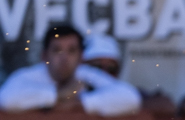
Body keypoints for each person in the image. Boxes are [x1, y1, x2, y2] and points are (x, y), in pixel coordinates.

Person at [0, 24, 140, 115]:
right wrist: (61, 95)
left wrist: (79, 103)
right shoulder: (26, 76)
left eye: (71, 51)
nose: (64, 58)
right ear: (44, 56)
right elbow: (6, 100)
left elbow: (130, 98)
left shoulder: (86, 75)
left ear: (81, 58)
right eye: (57, 50)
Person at [83, 32, 175, 115]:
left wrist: (126, 103)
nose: (104, 72)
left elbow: (167, 105)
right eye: (97, 68)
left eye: (111, 68)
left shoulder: (127, 93)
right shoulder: (72, 91)